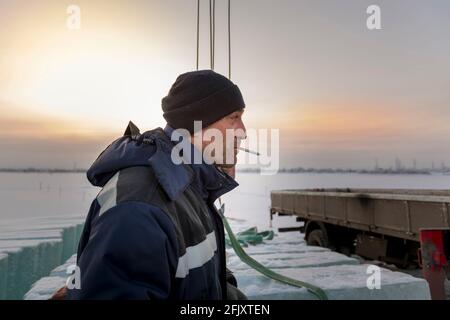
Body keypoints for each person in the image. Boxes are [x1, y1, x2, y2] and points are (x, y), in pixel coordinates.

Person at [66, 70, 248, 300]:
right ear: (199, 120)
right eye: (234, 117)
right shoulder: (139, 210)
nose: (243, 132)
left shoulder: (190, 190)